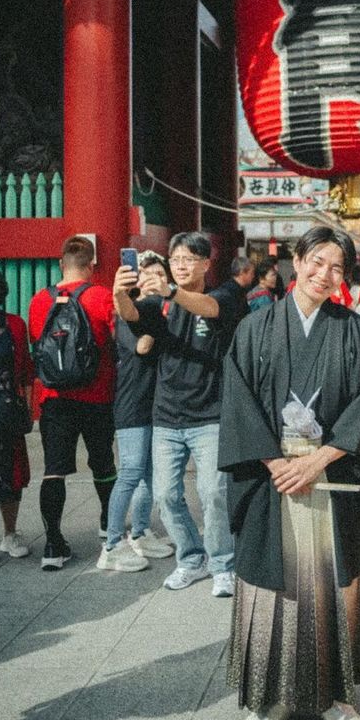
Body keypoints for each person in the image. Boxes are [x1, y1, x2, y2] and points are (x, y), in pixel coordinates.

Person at [219, 225, 360, 720]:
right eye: (316, 261)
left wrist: (319, 461)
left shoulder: (357, 332)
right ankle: (272, 700)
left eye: (337, 267)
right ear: (296, 259)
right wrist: (274, 462)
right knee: (274, 587)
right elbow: (238, 400)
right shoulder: (255, 327)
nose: (325, 275)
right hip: (272, 478)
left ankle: (334, 698)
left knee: (329, 586)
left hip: (329, 475)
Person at [113, 231, 238, 595]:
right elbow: (133, 314)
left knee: (213, 491)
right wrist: (121, 292)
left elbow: (210, 309)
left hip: (210, 415)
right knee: (167, 495)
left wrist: (170, 290)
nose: (181, 265)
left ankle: (222, 564)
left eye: (188, 259)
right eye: (176, 259)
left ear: (206, 263)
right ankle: (191, 559)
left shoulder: (224, 293)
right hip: (166, 416)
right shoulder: (160, 304)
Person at [29, 235, 117, 570]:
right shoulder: (101, 296)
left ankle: (52, 544)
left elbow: (38, 343)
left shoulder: (39, 301)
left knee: (54, 471)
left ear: (60, 264)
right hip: (97, 396)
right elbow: (115, 342)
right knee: (103, 463)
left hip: (54, 399)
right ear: (92, 266)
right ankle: (108, 527)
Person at [98, 251, 175, 573]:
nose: (154, 277)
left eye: (160, 272)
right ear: (137, 279)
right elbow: (142, 345)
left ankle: (140, 533)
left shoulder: (162, 309)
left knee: (147, 475)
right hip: (132, 405)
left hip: (153, 404)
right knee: (131, 472)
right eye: (148, 273)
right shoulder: (132, 310)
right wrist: (157, 329)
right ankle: (113, 545)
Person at [0, 265, 32, 566]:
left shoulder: (14, 324)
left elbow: (24, 369)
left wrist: (28, 409)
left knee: (11, 475)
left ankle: (10, 534)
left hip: (7, 411)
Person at [221, 255, 256, 322]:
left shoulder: (239, 290)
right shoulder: (231, 293)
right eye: (251, 273)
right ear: (242, 272)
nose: (253, 276)